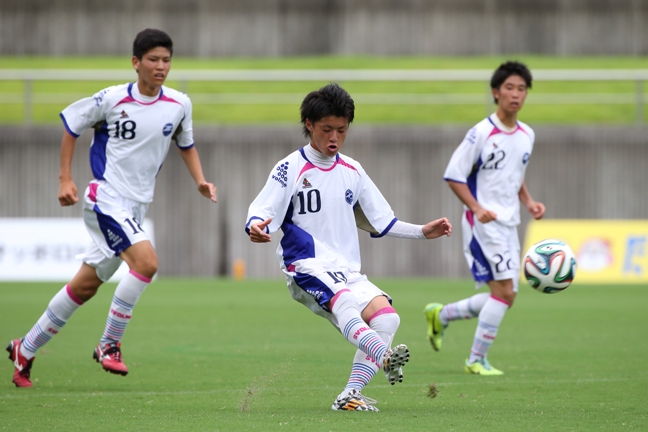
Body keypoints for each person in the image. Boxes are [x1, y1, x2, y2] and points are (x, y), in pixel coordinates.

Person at [6, 28, 217, 388]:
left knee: (85, 286)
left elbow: (186, 144)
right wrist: (65, 179)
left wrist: (200, 180)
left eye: (166, 60)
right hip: (105, 197)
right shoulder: (112, 99)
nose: (160, 66)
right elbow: (72, 125)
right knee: (147, 263)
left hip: (136, 206)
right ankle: (109, 344)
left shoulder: (179, 103)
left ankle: (24, 348)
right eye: (153, 59)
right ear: (136, 62)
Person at [246, 83, 452, 411]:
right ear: (309, 125)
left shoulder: (353, 170)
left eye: (341, 130)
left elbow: (382, 220)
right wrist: (255, 226)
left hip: (345, 270)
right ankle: (384, 356)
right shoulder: (290, 168)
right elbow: (262, 210)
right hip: (306, 264)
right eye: (326, 129)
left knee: (387, 319)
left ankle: (350, 395)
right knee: (345, 303)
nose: (334, 137)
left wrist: (422, 232)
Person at [424, 61, 545, 376]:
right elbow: (454, 175)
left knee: (506, 295)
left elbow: (515, 174)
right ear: (496, 92)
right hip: (483, 224)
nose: (515, 94)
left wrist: (529, 202)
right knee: (504, 294)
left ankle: (442, 315)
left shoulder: (527, 134)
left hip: (509, 224)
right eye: (509, 88)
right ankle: (475, 360)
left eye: (521, 89)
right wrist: (476, 208)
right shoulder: (481, 133)